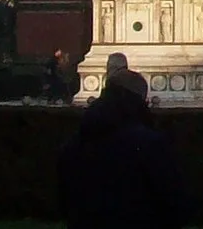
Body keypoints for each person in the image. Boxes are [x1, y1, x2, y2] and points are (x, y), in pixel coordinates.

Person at [58, 68, 185, 228]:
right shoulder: (149, 144)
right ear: (140, 101)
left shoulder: (75, 143)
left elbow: (64, 202)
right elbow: (175, 202)